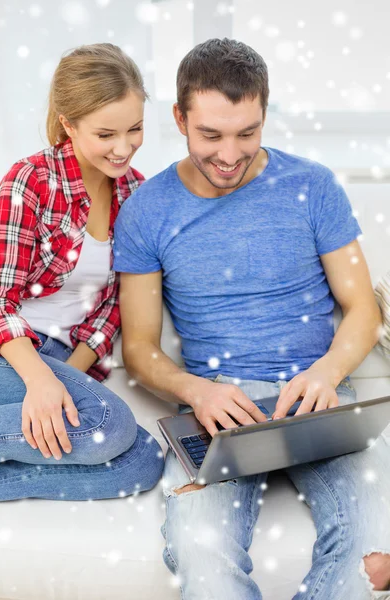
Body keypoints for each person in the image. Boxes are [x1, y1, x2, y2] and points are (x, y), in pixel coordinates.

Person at [113, 38, 390, 599]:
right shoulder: (146, 210)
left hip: (320, 400)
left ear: (265, 112)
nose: (230, 155)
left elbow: (363, 308)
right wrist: (197, 391)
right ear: (179, 118)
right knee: (200, 552)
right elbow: (139, 350)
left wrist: (326, 374)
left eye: (248, 132)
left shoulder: (313, 186)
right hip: (219, 408)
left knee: (377, 559)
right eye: (211, 135)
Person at [0, 43, 164, 502]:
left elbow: (110, 312)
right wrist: (40, 381)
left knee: (144, 461)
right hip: (8, 354)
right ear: (68, 124)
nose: (123, 147)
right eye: (106, 134)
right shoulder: (31, 180)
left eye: (136, 129)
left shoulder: (135, 193)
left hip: (61, 360)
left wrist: (68, 383)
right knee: (109, 425)